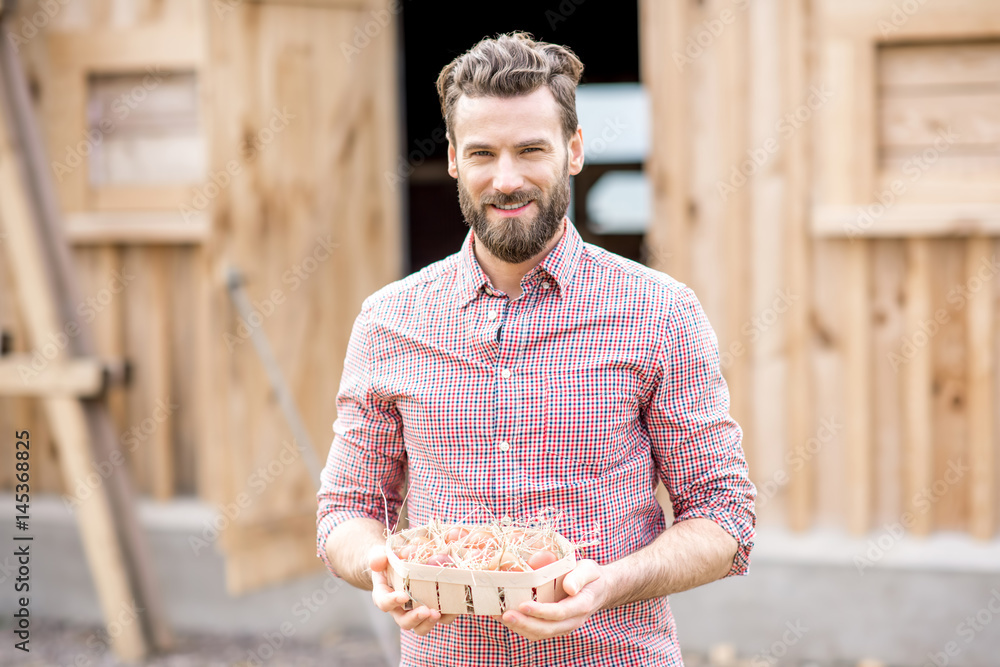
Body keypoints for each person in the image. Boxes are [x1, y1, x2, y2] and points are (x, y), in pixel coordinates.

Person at [317, 31, 756, 667]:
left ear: (574, 150)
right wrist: (379, 565)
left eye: (531, 150)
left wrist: (612, 584)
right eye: (482, 153)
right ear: (451, 160)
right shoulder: (389, 321)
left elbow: (724, 518)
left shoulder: (659, 312)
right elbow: (346, 513)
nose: (506, 178)